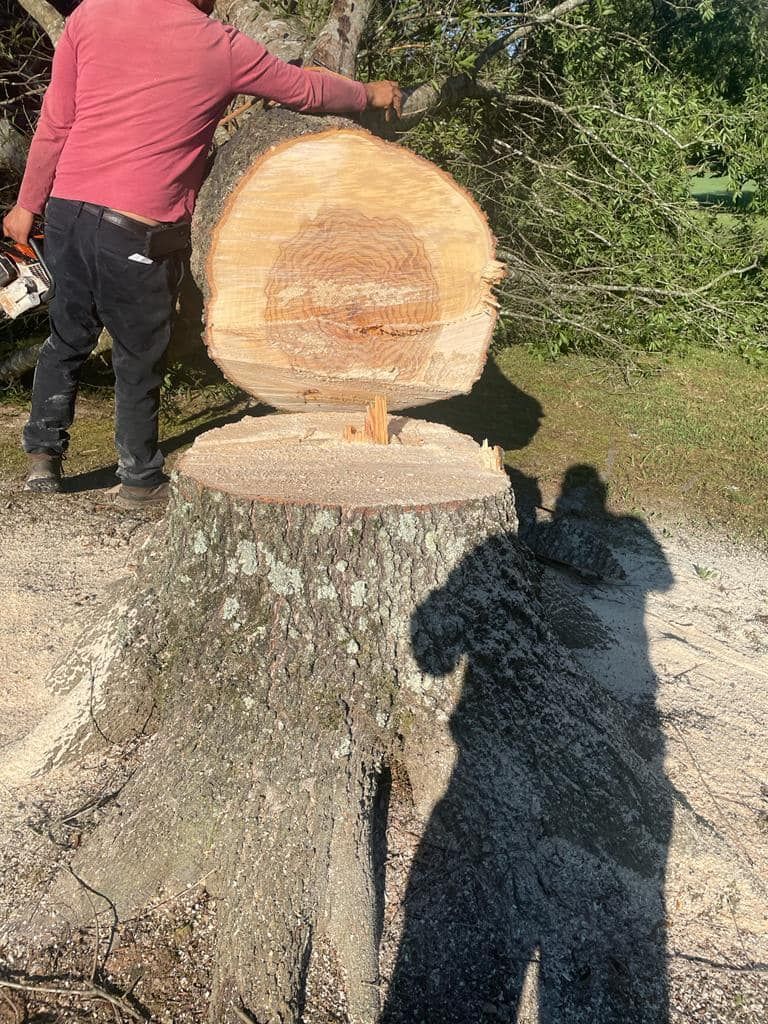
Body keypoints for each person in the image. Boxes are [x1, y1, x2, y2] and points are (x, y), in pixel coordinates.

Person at [2, 0, 401, 508]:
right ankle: (140, 480)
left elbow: (56, 122)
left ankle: (42, 460)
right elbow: (305, 89)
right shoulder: (220, 45)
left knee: (67, 337)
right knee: (138, 355)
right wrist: (367, 93)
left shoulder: (92, 14)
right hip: (136, 230)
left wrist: (26, 205)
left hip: (67, 214)